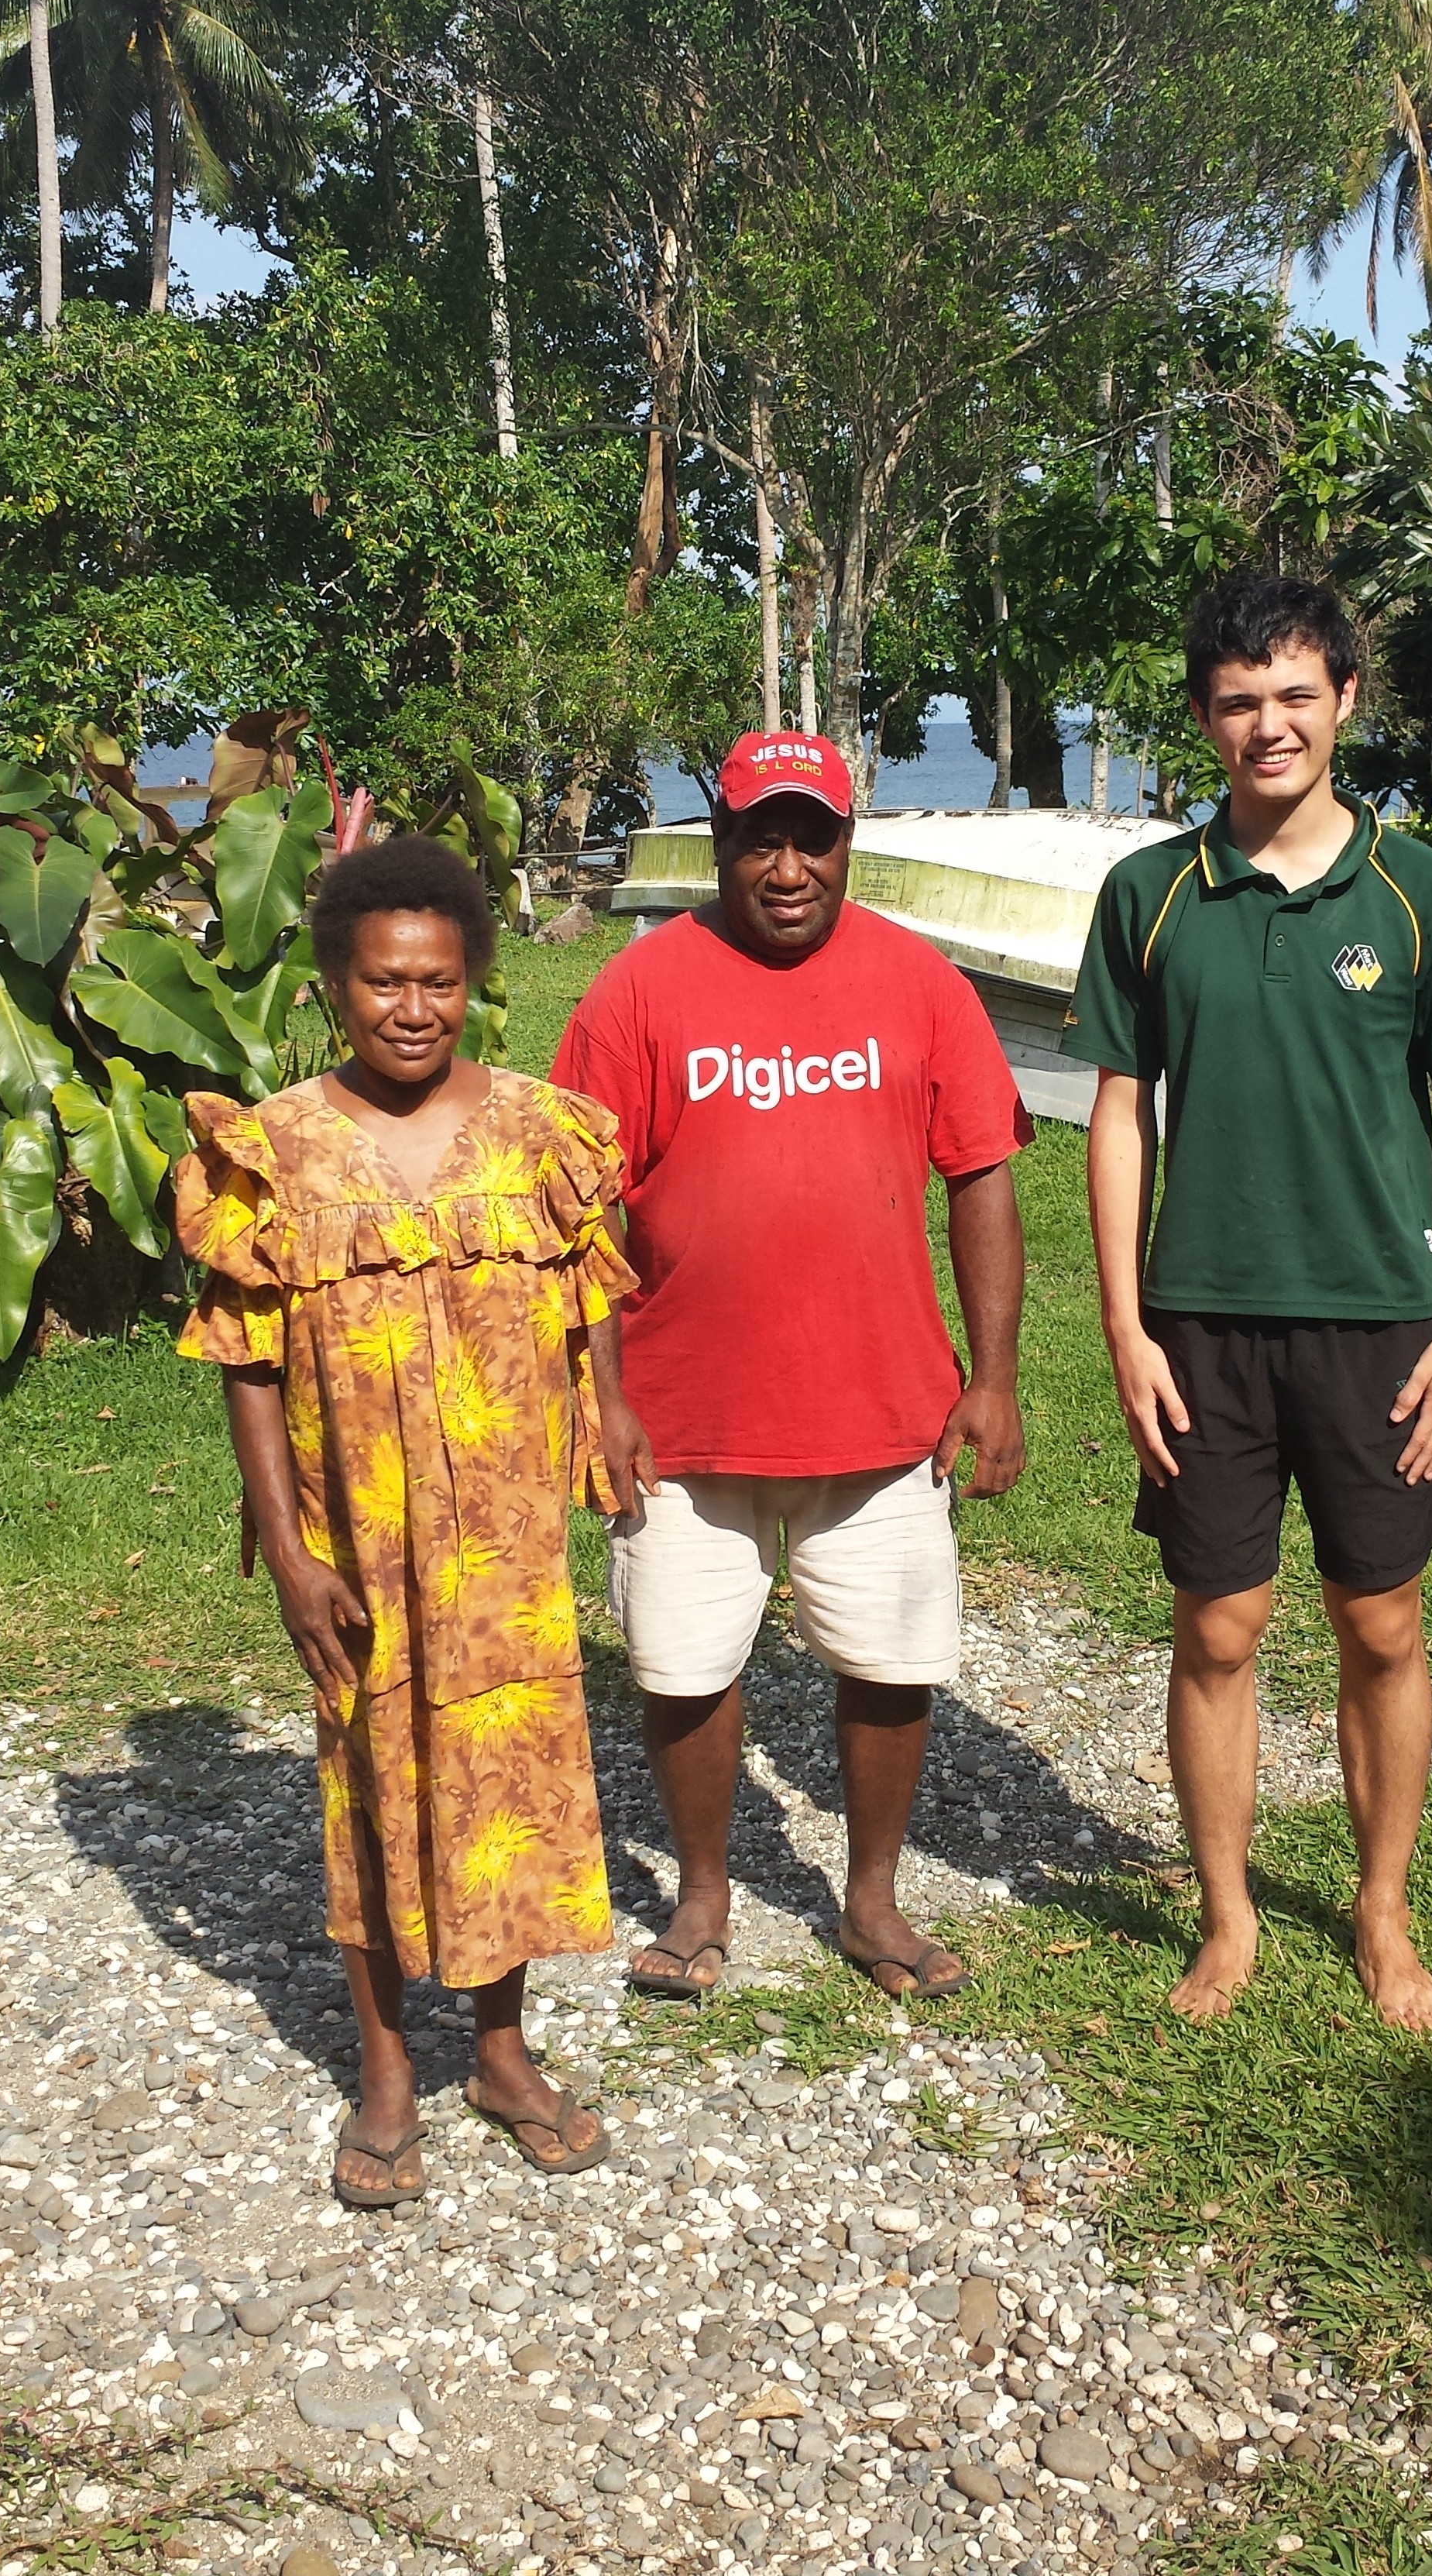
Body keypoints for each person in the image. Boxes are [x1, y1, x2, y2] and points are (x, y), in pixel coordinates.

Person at [1066, 571, 1432, 2032]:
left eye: (1291, 694)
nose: (1265, 724)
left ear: (1342, 700)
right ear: (1203, 718)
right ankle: (1227, 1918)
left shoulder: (1420, 893)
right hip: (1200, 1320)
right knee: (1216, 1627)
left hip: (1380, 1318)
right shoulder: (1151, 895)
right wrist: (1126, 1324)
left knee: (1379, 1622)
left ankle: (1382, 1915)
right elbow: (1118, 1112)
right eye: (1234, 700)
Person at [173, 833, 636, 2204]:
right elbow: (246, 1360)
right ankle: (384, 2070)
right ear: (336, 986)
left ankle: (499, 2052)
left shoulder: (540, 1128)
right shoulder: (277, 1151)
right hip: (356, 1527)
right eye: (383, 983)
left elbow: (583, 1286)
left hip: (503, 1534)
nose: (412, 1008)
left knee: (509, 1778)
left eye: (437, 981)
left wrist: (607, 1407)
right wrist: (288, 1550)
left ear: (475, 980)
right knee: (371, 1779)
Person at [553, 728, 1032, 2001]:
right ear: (717, 840)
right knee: (679, 1662)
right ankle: (702, 1901)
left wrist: (991, 1378)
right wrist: (597, 1397)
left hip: (881, 1409)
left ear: (846, 841)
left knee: (888, 1658)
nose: (783, 867)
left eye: (808, 837)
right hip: (681, 1413)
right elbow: (578, 1211)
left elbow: (979, 1173)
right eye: (756, 837)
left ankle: (870, 1903)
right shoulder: (639, 991)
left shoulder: (920, 984)